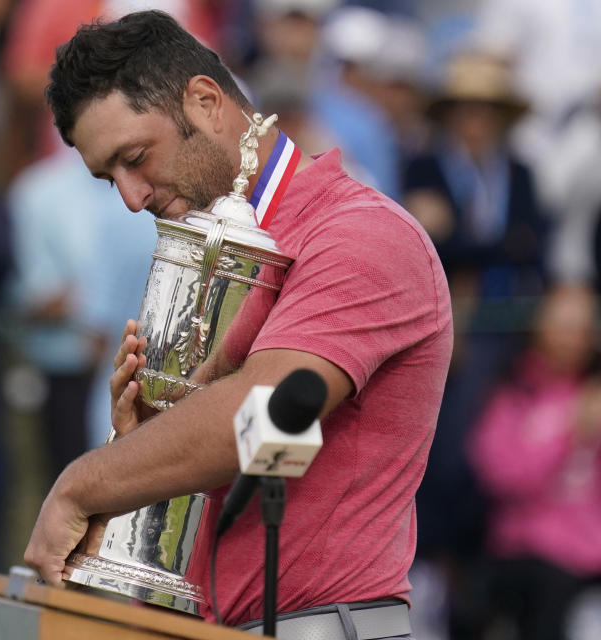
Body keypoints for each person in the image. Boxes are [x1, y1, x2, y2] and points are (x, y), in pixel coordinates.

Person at [23, 9, 453, 638]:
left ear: (205, 101)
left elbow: (263, 422)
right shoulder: (209, 251)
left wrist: (83, 484)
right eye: (107, 176)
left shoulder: (361, 235)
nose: (130, 196)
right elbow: (240, 474)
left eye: (136, 157)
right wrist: (144, 445)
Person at [467, 284, 601, 640]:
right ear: (540, 326)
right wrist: (572, 432)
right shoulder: (513, 392)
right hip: (521, 553)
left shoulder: (593, 391)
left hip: (587, 556)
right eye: (563, 325)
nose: (572, 338)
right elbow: (500, 476)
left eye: (582, 329)